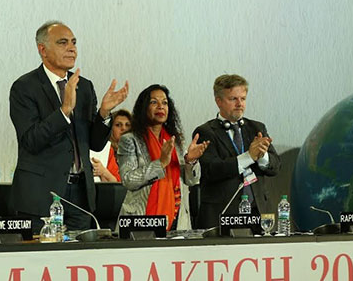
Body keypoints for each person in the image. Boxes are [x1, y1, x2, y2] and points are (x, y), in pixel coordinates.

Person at [9, 21, 129, 230]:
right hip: (42, 196)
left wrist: (104, 113)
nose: (72, 48)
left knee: (78, 260)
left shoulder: (84, 86)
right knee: (42, 260)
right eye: (63, 43)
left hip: (81, 196)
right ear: (42, 50)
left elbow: (95, 143)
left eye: (74, 42)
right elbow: (31, 140)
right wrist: (64, 112)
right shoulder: (25, 87)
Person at [192, 74, 281, 229]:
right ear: (218, 101)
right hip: (223, 214)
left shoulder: (257, 128)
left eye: (243, 98)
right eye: (233, 99)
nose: (240, 104)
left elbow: (276, 167)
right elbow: (211, 170)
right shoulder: (205, 132)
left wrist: (262, 156)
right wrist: (249, 156)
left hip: (257, 213)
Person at [117, 85, 209, 231]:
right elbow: (128, 180)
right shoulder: (130, 140)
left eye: (165, 103)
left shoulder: (176, 141)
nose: (160, 106)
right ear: (144, 108)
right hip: (142, 219)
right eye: (154, 102)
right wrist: (160, 164)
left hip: (177, 219)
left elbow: (191, 180)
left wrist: (191, 161)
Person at [90, 110, 132, 182]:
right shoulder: (105, 151)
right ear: (110, 129)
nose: (124, 128)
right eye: (118, 125)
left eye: (127, 125)